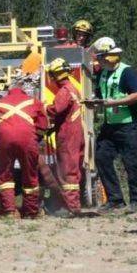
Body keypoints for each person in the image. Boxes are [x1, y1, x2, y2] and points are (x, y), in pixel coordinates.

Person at [84, 41, 137, 213]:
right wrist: (94, 103)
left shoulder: (128, 72)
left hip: (129, 125)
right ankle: (115, 200)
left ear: (108, 57)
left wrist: (114, 103)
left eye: (101, 58)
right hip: (110, 125)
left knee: (131, 163)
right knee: (101, 157)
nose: (99, 62)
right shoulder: (103, 74)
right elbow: (100, 95)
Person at [0, 74, 48, 219]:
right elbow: (43, 125)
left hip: (4, 142)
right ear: (23, 90)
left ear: (8, 90)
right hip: (28, 141)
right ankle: (31, 212)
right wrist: (36, 139)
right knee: (30, 176)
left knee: (5, 176)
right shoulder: (34, 102)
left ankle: (9, 211)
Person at [45, 58, 84, 215]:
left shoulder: (64, 91)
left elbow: (54, 110)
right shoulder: (73, 88)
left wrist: (42, 109)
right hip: (75, 133)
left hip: (68, 136)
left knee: (67, 171)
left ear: (55, 75)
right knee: (73, 170)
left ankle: (71, 208)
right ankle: (73, 205)